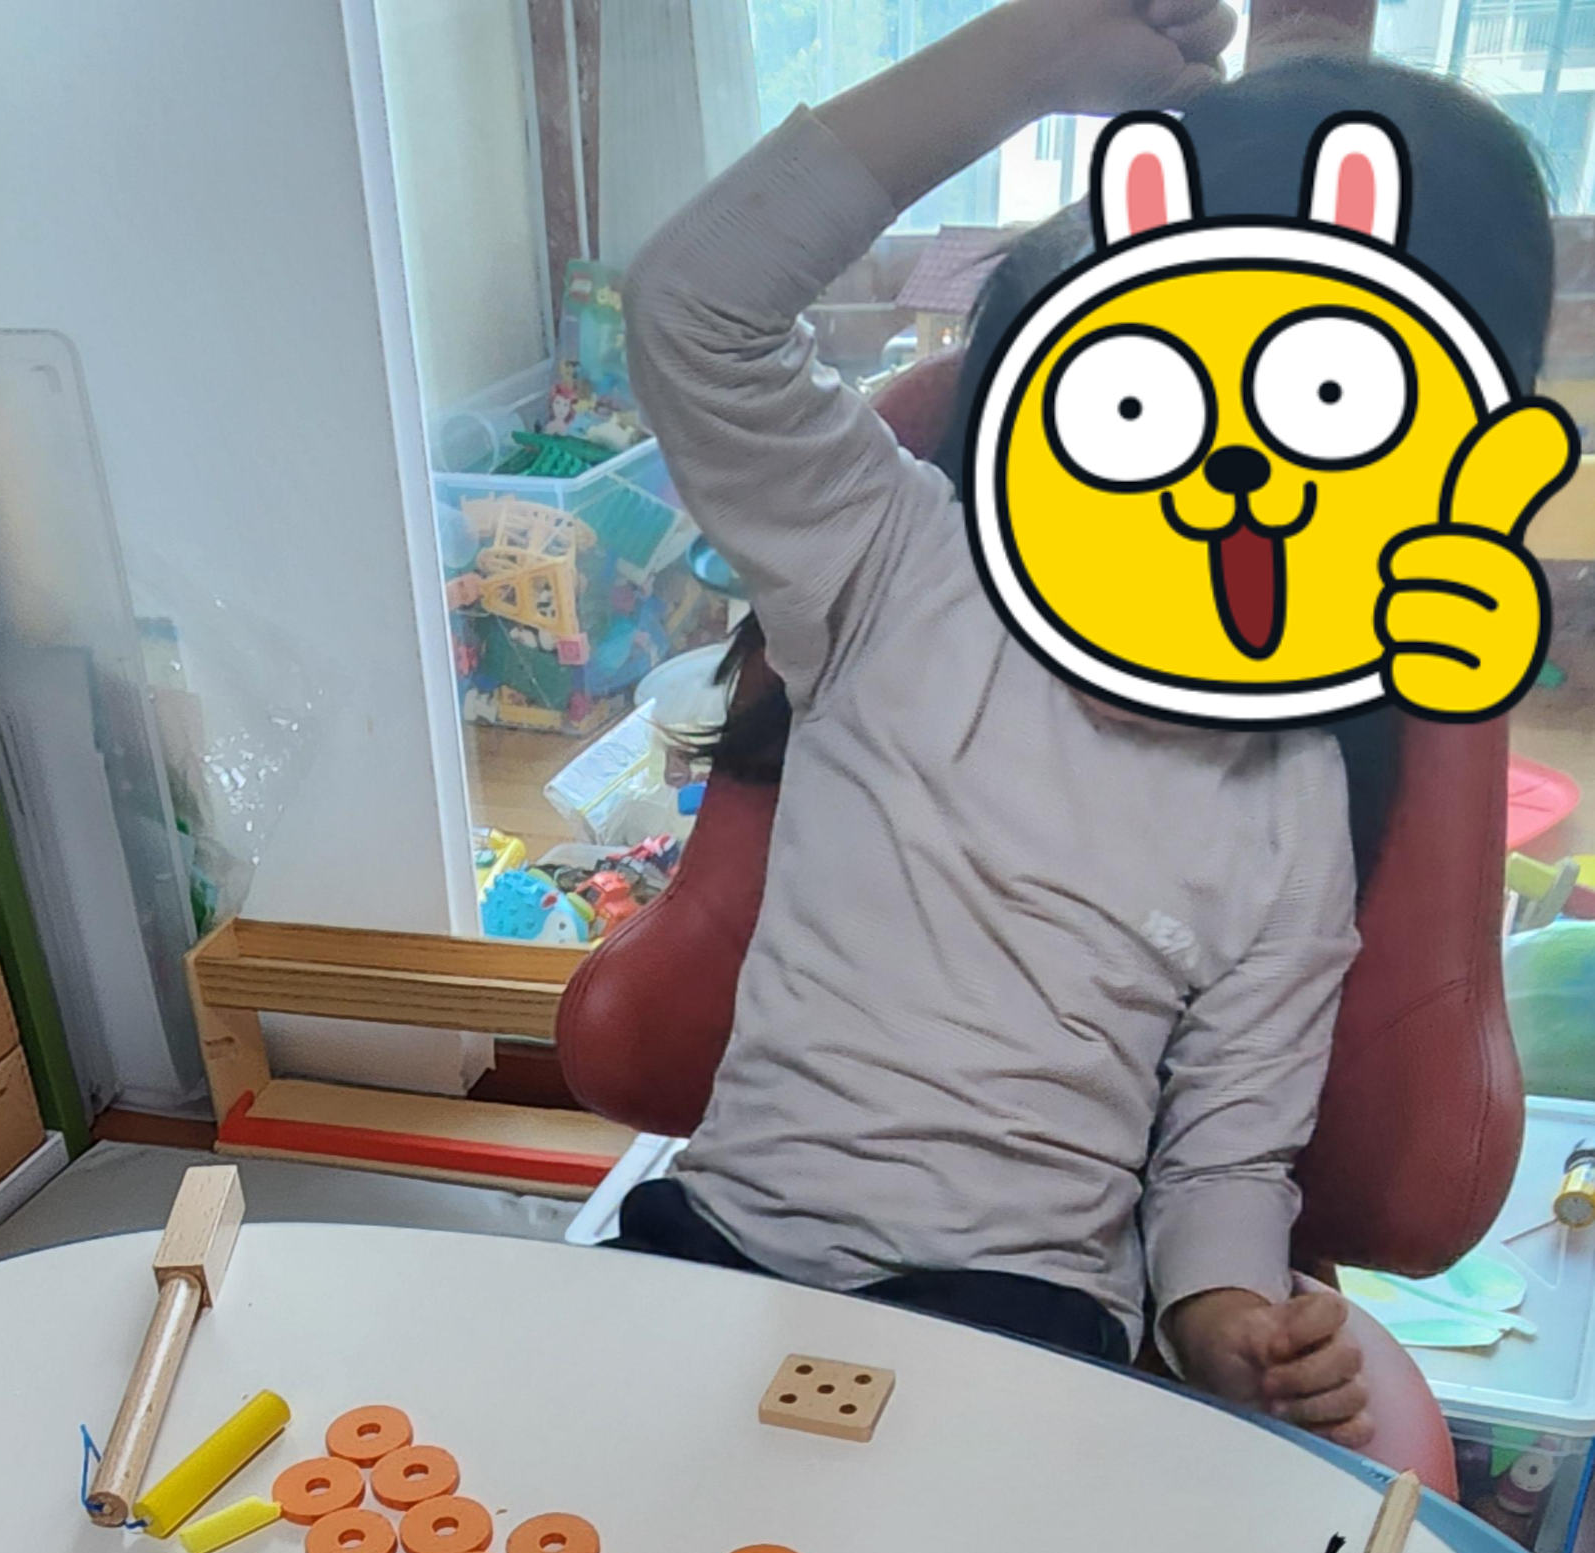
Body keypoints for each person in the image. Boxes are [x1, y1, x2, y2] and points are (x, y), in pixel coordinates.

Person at [616, 0, 1556, 1445]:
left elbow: (1225, 1165)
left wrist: (1229, 1325)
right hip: (715, 1251)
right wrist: (1034, 59)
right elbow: (696, 308)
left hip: (1026, 1325)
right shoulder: (894, 560)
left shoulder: (1286, 792)